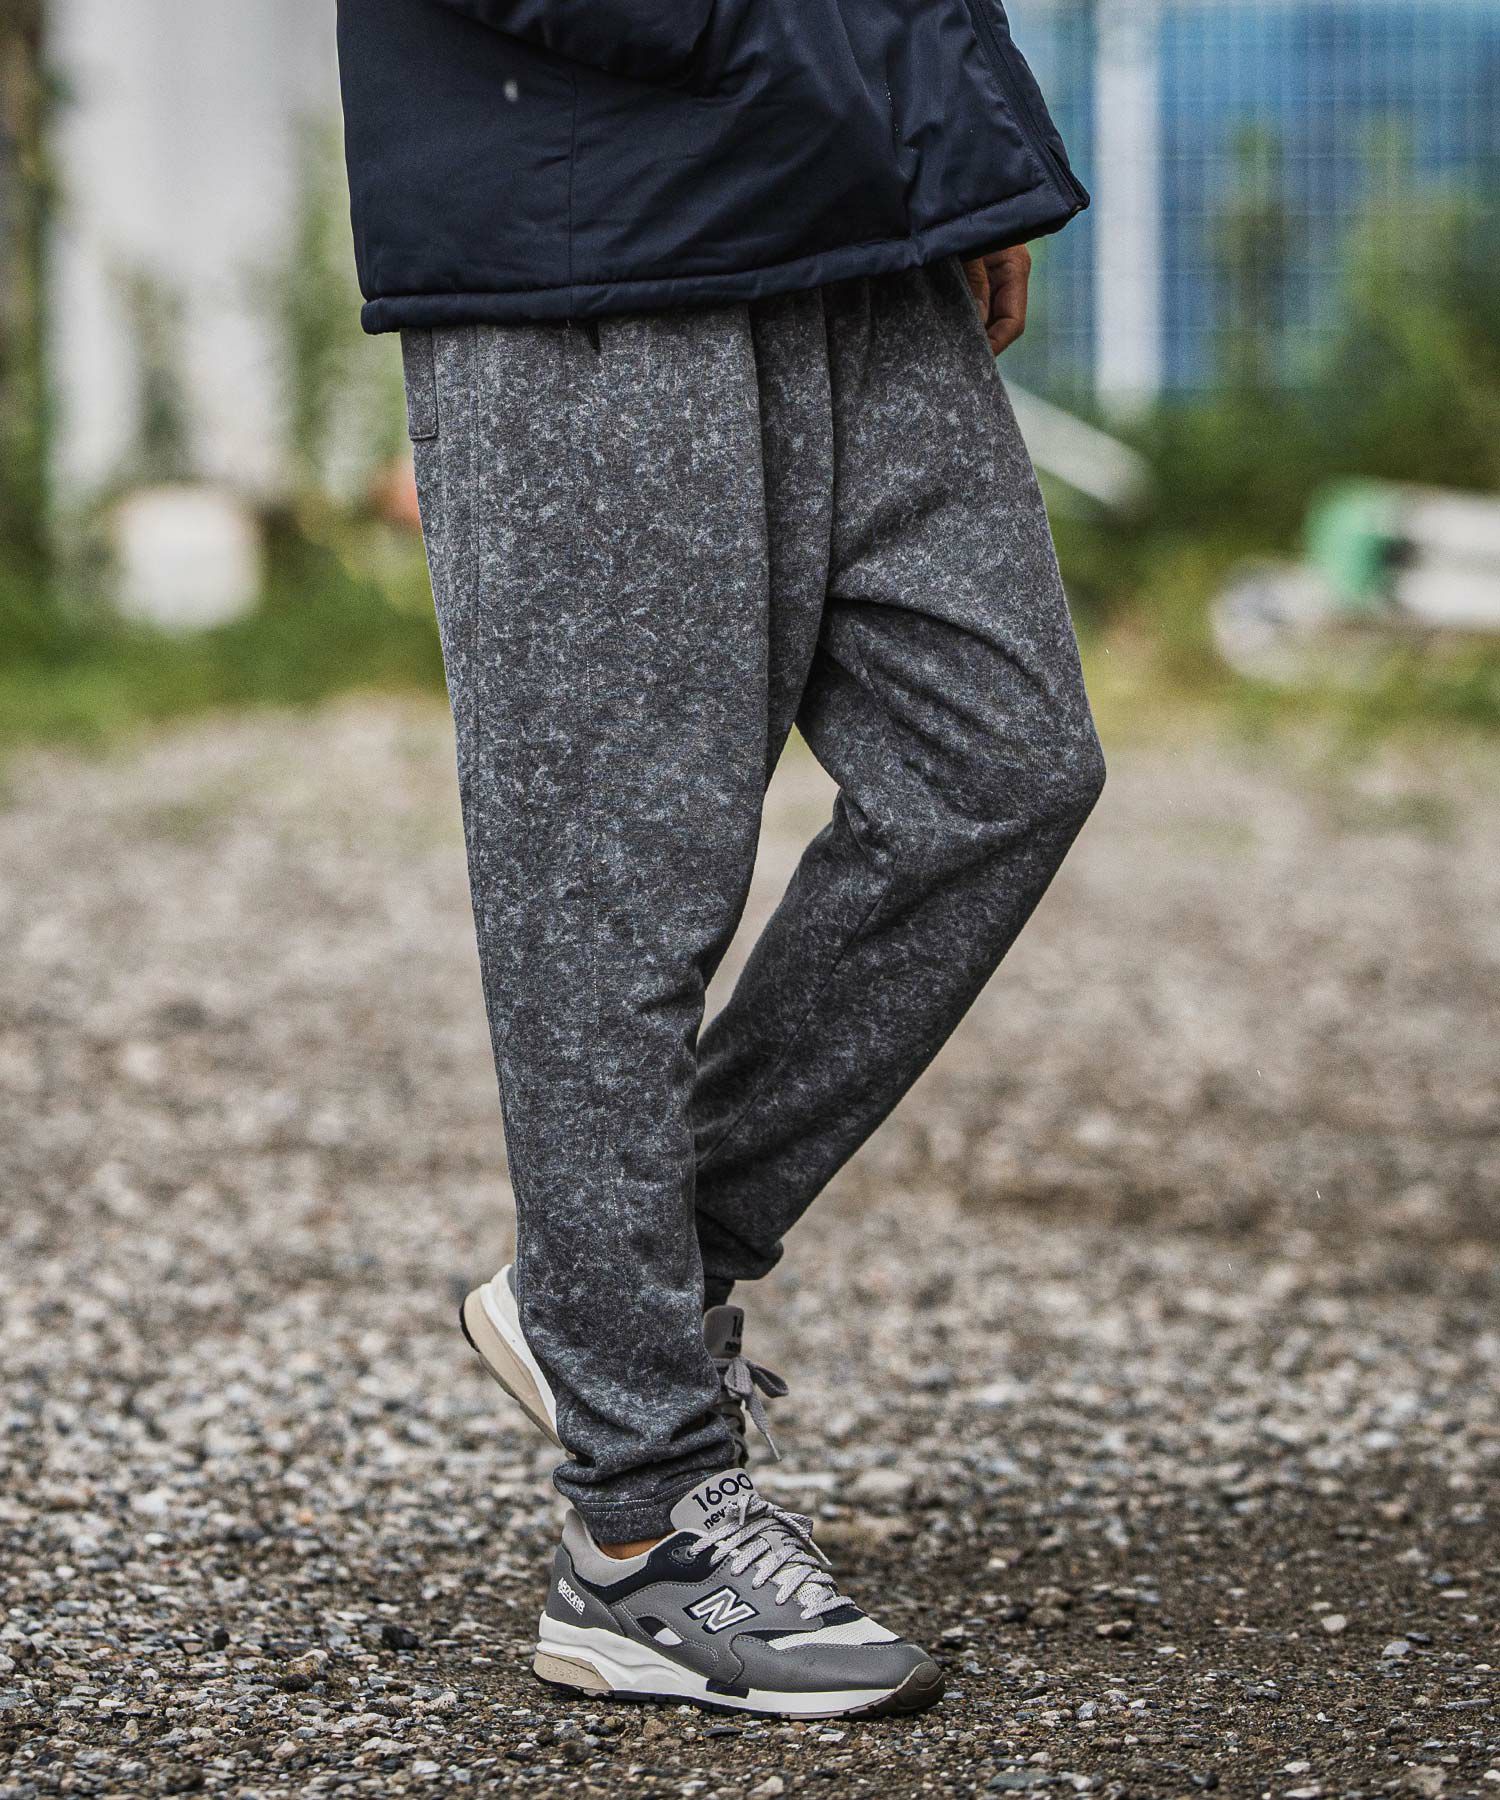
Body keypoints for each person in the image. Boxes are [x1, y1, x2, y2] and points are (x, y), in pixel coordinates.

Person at [337, 0, 1104, 1719]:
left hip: (854, 199)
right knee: (618, 887)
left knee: (1001, 763)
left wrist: (955, 137)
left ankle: (601, 1293)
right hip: (596, 210)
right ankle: (639, 1531)